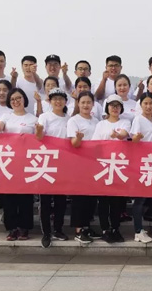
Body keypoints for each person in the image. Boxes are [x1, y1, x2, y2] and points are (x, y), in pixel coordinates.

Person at [0, 88, 37, 241]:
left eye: (18, 98)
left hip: (26, 161)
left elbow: (38, 138)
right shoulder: (6, 116)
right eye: (12, 99)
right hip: (9, 160)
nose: (15, 101)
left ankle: (24, 227)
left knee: (25, 196)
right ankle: (12, 228)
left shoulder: (33, 118)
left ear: (24, 99)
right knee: (9, 196)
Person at [92, 94, 131, 243]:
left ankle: (115, 228)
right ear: (107, 107)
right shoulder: (101, 124)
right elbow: (95, 143)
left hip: (119, 166)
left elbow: (124, 134)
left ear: (121, 108)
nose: (115, 108)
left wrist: (117, 136)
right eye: (112, 106)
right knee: (103, 200)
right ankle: (105, 229)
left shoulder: (125, 122)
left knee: (116, 200)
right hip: (103, 165)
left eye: (117, 106)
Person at [35, 88, 70, 248]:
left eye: (61, 99)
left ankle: (58, 229)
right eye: (55, 99)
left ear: (65, 101)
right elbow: (39, 137)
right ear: (50, 101)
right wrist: (39, 131)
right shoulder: (44, 117)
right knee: (45, 200)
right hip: (47, 162)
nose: (58, 101)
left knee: (61, 199)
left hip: (63, 162)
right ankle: (46, 232)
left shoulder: (69, 119)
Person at [129, 92, 152, 243]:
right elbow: (133, 139)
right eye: (145, 103)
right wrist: (136, 139)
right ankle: (138, 231)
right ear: (141, 105)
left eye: (151, 103)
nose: (148, 106)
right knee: (140, 199)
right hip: (142, 164)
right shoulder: (138, 119)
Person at [67, 91, 101, 244]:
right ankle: (78, 230)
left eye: (88, 102)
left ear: (93, 104)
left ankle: (87, 226)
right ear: (78, 104)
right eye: (83, 102)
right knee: (79, 198)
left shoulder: (97, 121)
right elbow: (73, 144)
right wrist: (79, 138)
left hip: (94, 163)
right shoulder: (73, 120)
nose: (86, 105)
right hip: (79, 163)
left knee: (91, 197)